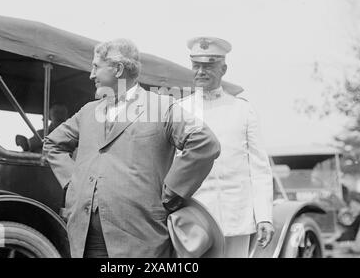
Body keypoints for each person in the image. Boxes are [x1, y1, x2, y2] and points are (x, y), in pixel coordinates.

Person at [43, 38, 221, 258]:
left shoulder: (161, 107)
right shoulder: (88, 112)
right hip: (84, 237)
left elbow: (204, 143)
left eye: (96, 67)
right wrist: (74, 185)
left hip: (141, 238)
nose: (91, 75)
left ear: (118, 69)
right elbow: (52, 144)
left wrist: (172, 193)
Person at [179, 36, 274, 258]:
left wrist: (264, 216)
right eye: (196, 65)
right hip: (195, 216)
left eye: (209, 66)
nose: (201, 71)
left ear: (223, 68)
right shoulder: (179, 111)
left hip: (236, 216)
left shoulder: (242, 110)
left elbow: (260, 169)